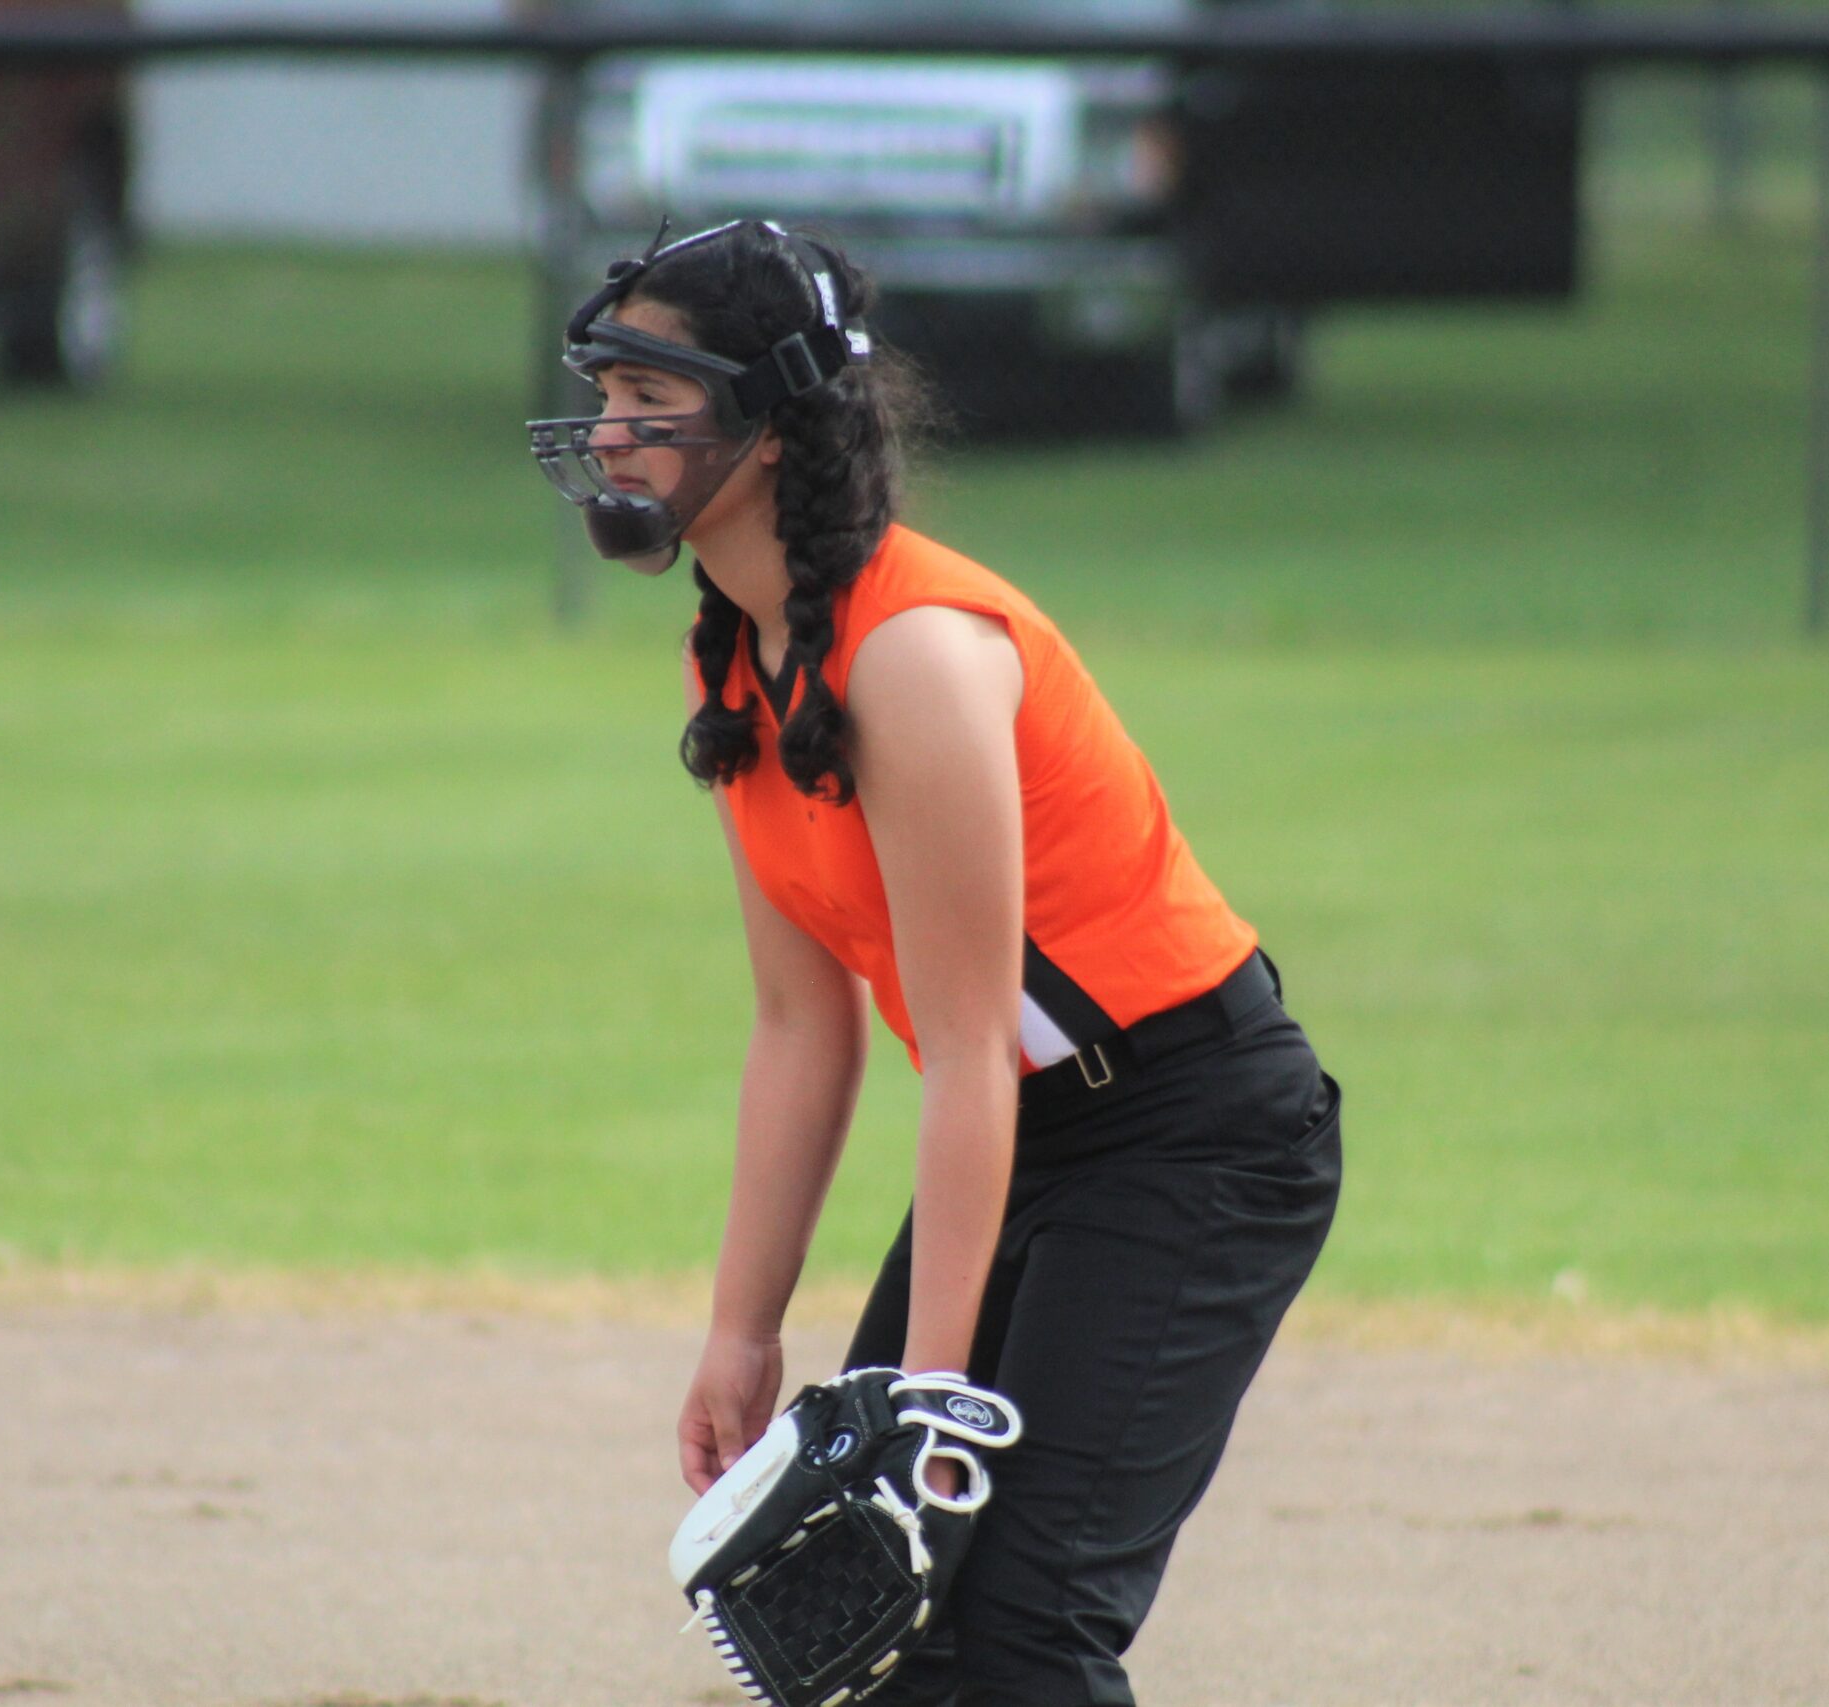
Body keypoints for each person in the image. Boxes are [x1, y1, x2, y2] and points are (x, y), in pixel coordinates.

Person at [529, 218, 1343, 1706]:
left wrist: (929, 1406)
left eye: (653, 400)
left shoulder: (915, 652)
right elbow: (803, 1029)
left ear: (772, 429)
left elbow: (970, 1049)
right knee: (879, 1624)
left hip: (1193, 1129)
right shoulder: (739, 653)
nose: (611, 434)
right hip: (1034, 1130)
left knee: (1025, 1621)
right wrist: (740, 1333)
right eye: (606, 399)